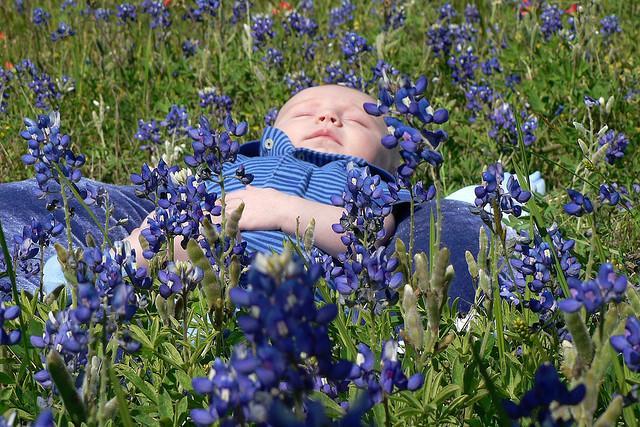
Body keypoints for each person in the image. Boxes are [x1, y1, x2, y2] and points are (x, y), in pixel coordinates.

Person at [37, 84, 545, 311]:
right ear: (269, 135)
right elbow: (179, 206)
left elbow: (366, 235)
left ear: (392, 159)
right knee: (154, 236)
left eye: (359, 119)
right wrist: (149, 232)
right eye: (306, 111)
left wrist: (281, 210)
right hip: (196, 251)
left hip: (293, 275)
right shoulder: (238, 166)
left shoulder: (371, 183)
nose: (329, 116)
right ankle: (94, 277)